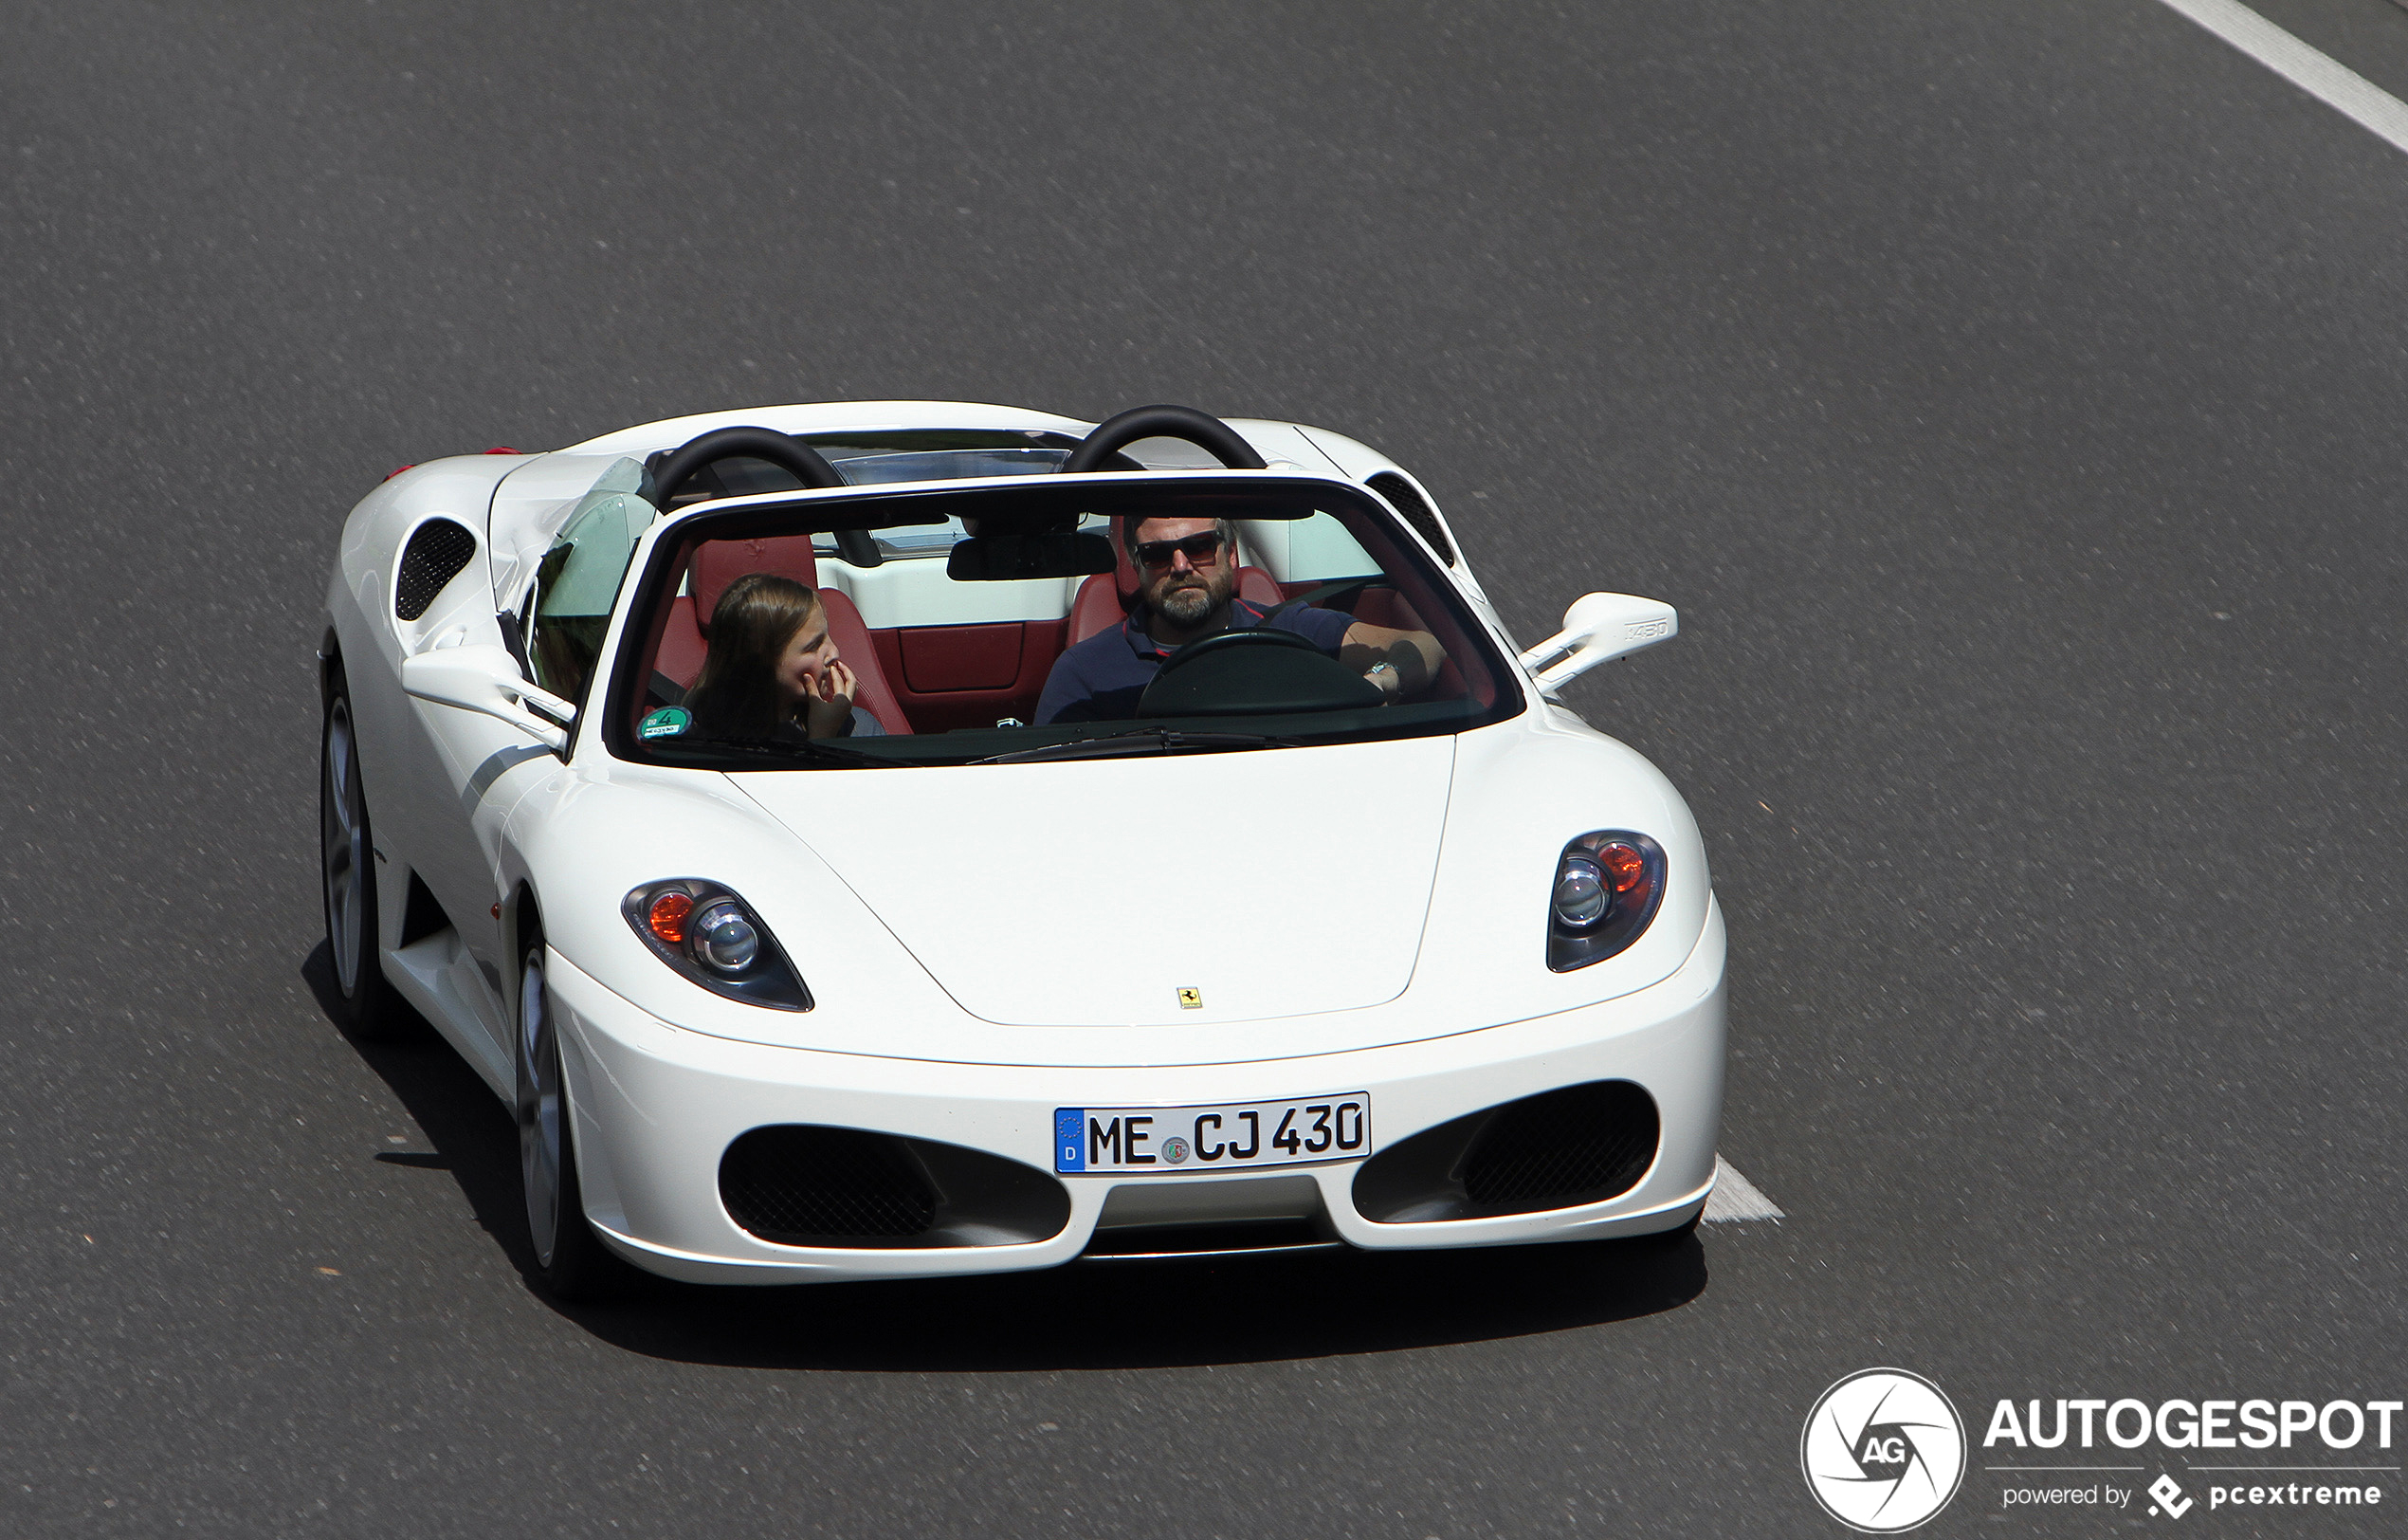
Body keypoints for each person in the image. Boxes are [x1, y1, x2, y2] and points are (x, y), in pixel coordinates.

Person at [1035, 515, 1445, 724]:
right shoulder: (1083, 672)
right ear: (1136, 569)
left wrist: (1381, 681)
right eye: (1158, 555)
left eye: (1198, 547)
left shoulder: (1291, 632)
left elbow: (1426, 647)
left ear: (1231, 556)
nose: (1180, 567)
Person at [683, 573, 886, 740]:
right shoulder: (701, 738)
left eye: (827, 636)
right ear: (760, 664)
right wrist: (822, 738)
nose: (834, 652)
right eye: (813, 646)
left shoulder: (857, 728)